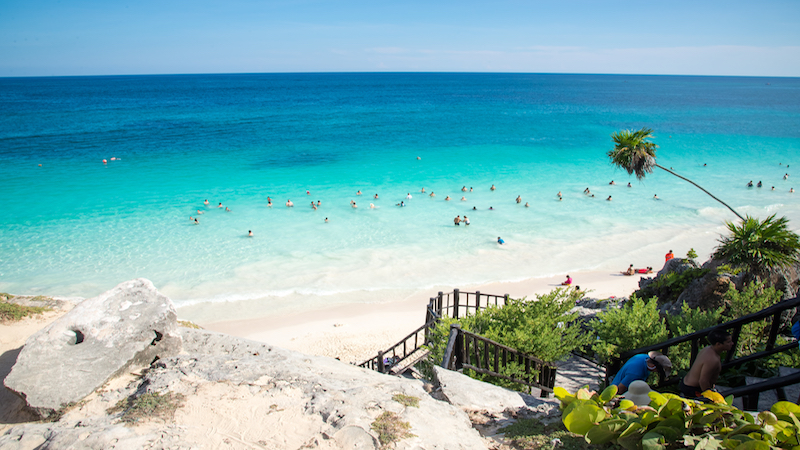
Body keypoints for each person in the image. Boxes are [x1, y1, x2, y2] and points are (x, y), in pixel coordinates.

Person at [680, 329, 733, 398]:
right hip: (693, 389)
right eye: (729, 342)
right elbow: (703, 381)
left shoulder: (707, 349)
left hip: (686, 383)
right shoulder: (712, 359)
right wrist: (710, 397)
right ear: (718, 344)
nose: (732, 343)